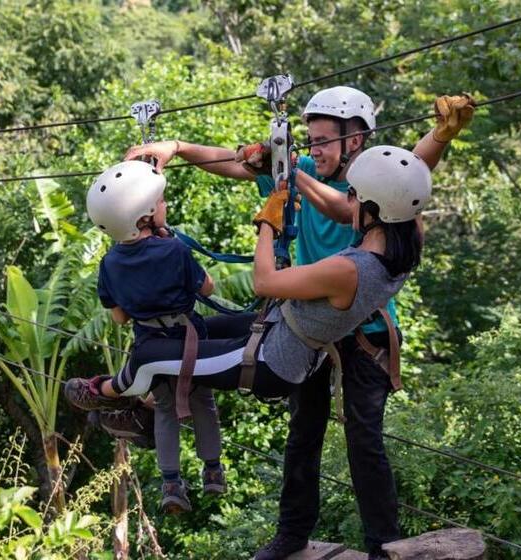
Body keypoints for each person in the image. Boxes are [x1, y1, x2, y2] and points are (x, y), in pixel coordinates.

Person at [122, 88, 474, 558]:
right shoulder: (305, 168)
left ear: (356, 141)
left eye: (324, 141)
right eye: (308, 142)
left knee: (363, 441)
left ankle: (384, 544)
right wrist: (180, 148)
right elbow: (233, 162)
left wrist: (441, 135)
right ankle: (292, 535)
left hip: (364, 333)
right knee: (302, 433)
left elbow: (408, 169)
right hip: (307, 331)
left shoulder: (373, 188)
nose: (315, 150)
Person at [66, 144, 432, 457]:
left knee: (150, 356)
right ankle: (144, 409)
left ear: (375, 209)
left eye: (353, 196)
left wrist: (268, 223)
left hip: (272, 361)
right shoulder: (401, 246)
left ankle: (104, 392)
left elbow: (264, 281)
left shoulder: (350, 269)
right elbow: (405, 183)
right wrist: (440, 137)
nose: (347, 203)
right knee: (194, 332)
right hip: (280, 330)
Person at [78, 159, 226, 514]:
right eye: (160, 202)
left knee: (164, 408)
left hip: (150, 347)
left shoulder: (109, 264)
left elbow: (118, 317)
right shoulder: (174, 249)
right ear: (144, 214)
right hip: (189, 340)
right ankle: (213, 472)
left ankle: (172, 482)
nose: (165, 206)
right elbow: (208, 286)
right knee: (202, 401)